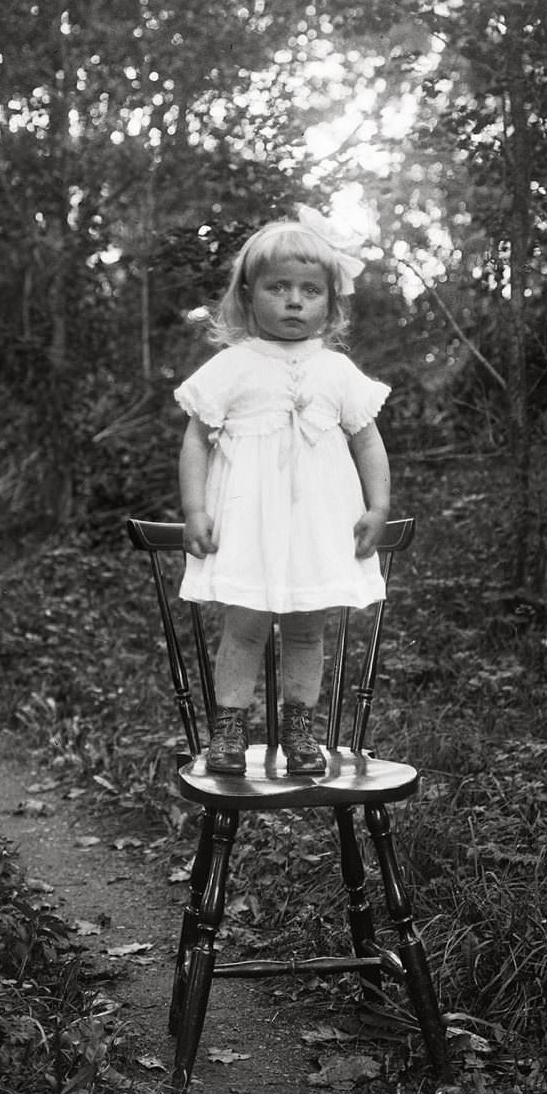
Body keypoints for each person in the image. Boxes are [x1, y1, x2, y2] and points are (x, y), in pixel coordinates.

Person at [175, 206, 391, 776]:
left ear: (330, 302)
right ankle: (229, 730)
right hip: (249, 527)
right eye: (278, 288)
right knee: (243, 628)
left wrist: (378, 506)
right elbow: (196, 440)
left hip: (316, 529)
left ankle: (298, 730)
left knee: (306, 630)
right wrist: (195, 509)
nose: (295, 301)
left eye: (310, 291)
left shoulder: (337, 371)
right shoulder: (234, 365)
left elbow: (368, 443)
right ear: (248, 297)